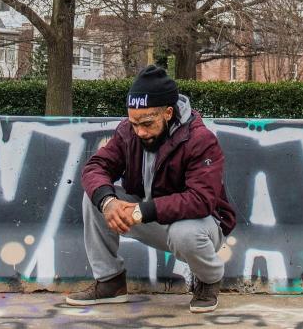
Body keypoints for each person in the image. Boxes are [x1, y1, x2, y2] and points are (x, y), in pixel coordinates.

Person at [65, 64, 237, 313]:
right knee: (95, 199)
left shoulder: (200, 140)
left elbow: (201, 200)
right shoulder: (128, 132)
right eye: (134, 123)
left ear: (167, 113)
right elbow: (96, 167)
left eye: (147, 123)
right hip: (147, 214)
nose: (140, 132)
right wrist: (108, 202)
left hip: (201, 224)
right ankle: (110, 282)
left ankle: (209, 281)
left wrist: (141, 211)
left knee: (184, 234)